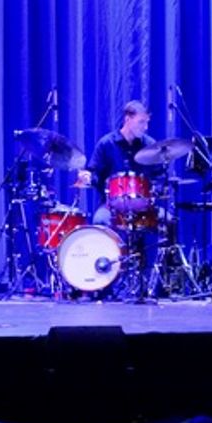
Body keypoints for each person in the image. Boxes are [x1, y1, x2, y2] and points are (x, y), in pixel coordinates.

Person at [76, 101, 166, 297]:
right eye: (141, 122)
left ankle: (152, 284)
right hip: (112, 205)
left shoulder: (150, 144)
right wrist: (89, 178)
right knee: (100, 221)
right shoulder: (107, 144)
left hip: (143, 207)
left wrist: (157, 190)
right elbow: (95, 173)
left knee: (165, 219)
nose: (145, 127)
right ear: (128, 119)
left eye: (147, 123)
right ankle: (104, 283)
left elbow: (159, 176)